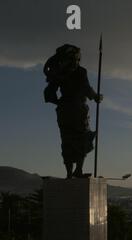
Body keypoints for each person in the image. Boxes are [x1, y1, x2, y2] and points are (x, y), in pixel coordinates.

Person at [43, 44, 102, 178]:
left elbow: (48, 93)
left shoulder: (59, 73)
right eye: (76, 59)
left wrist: (59, 102)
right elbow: (86, 88)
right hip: (78, 109)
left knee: (67, 140)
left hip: (64, 111)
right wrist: (96, 97)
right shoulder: (80, 72)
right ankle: (78, 170)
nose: (77, 61)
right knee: (82, 138)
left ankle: (70, 173)